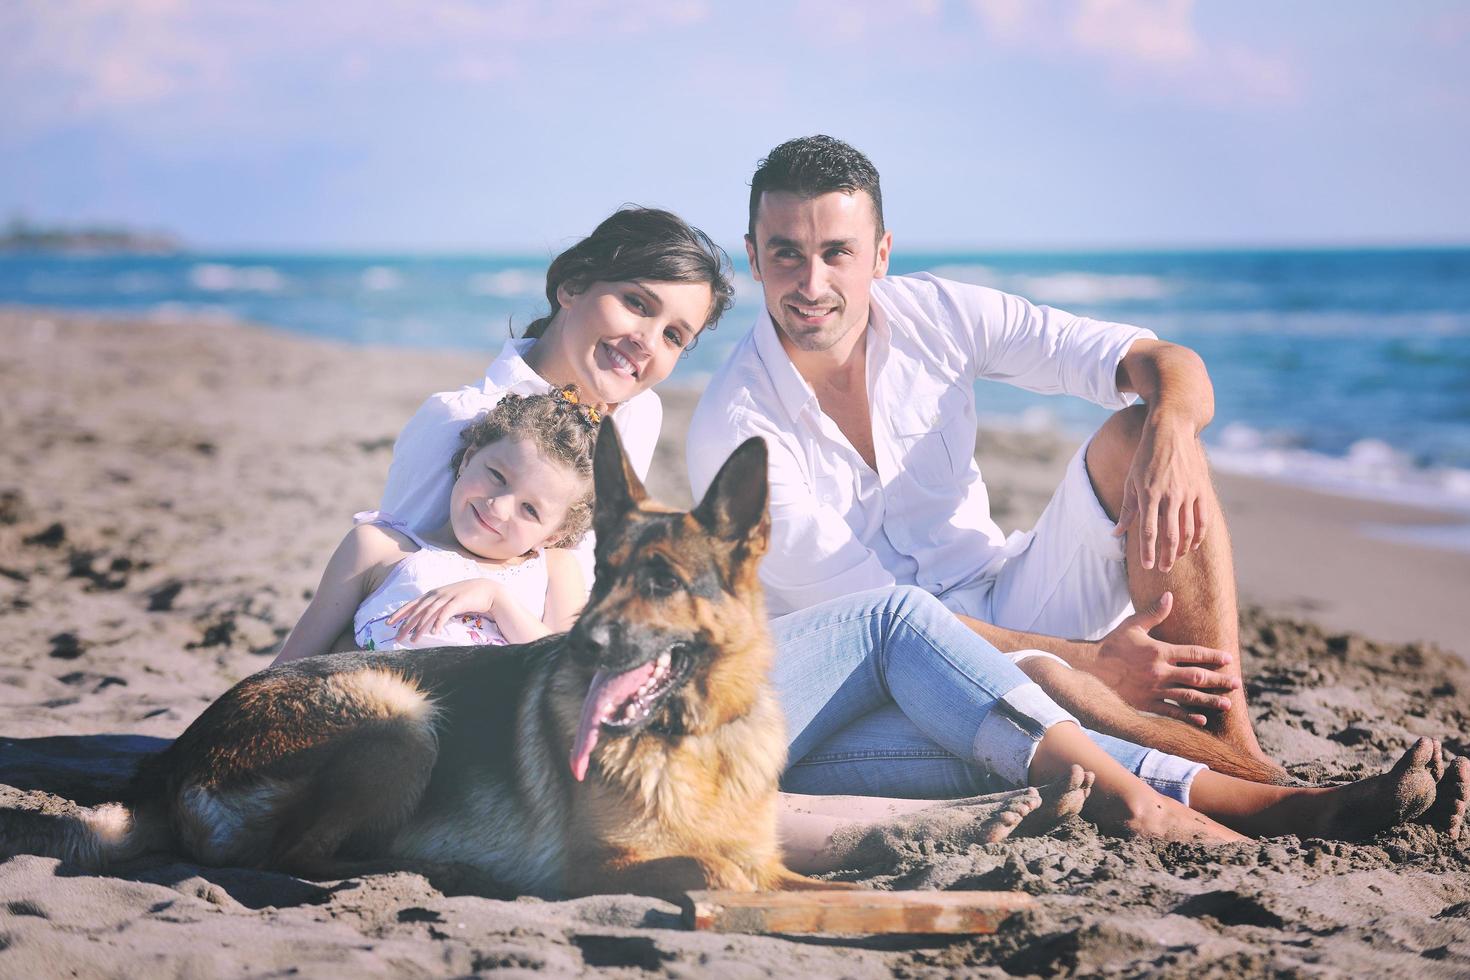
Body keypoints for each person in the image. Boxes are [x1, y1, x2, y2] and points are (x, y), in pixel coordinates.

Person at [688, 134, 1284, 784]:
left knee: (1143, 435)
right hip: (886, 677)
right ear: (752, 257)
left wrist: (1171, 433)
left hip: (1006, 596)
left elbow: (1161, 360)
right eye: (786, 255)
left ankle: (1236, 743)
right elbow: (895, 628)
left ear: (880, 254)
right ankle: (1251, 785)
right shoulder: (734, 432)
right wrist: (1092, 663)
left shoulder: (938, 314)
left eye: (837, 253)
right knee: (1064, 684)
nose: (812, 283)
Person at [272, 391, 598, 666]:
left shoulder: (553, 569)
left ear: (553, 535)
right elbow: (290, 666)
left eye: (529, 509)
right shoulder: (380, 547)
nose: (498, 507)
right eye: (497, 476)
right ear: (469, 459)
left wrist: (496, 600)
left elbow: (568, 670)